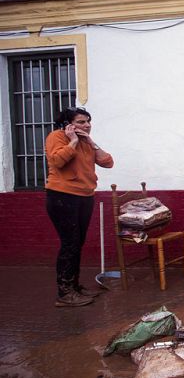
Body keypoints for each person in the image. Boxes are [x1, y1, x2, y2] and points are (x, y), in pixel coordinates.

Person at [45, 107, 114, 307]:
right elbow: (57, 161)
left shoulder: (87, 142)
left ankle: (74, 286)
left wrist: (91, 142)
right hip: (62, 197)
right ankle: (65, 293)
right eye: (81, 122)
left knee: (77, 243)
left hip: (84, 197)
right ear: (68, 124)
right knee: (70, 244)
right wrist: (73, 142)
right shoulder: (56, 137)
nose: (86, 125)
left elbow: (108, 162)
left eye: (88, 122)